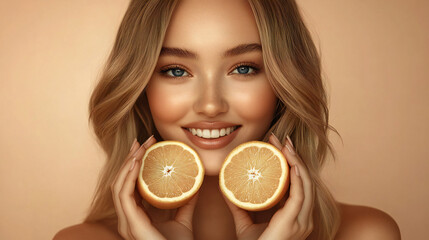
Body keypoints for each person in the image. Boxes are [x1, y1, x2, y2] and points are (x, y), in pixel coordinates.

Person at [54, 0, 401, 239]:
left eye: (244, 68)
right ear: (141, 85)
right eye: (176, 70)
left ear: (284, 82)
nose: (210, 105)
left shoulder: (367, 233)